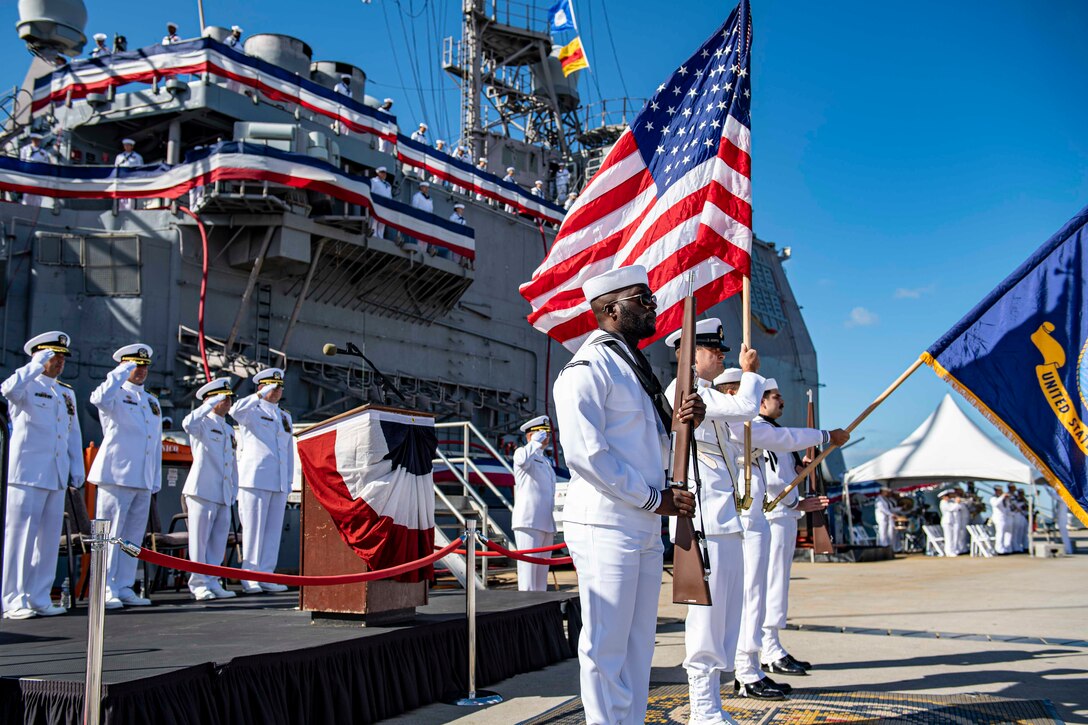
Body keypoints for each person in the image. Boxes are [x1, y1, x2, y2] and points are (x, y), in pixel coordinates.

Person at [553, 265, 703, 725]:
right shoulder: (588, 367)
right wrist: (652, 499)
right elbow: (586, 454)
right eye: (643, 300)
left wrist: (684, 426)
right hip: (606, 522)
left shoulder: (631, 367)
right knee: (606, 645)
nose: (652, 307)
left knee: (640, 645)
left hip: (639, 520)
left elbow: (651, 448)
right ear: (611, 309)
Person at [661, 320, 765, 724]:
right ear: (691, 353)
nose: (721, 357)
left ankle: (713, 704)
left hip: (724, 520)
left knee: (726, 617)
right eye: (714, 351)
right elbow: (746, 408)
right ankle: (703, 708)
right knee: (706, 618)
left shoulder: (705, 395)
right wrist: (751, 372)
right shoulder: (683, 392)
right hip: (703, 522)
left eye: (722, 352)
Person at [756, 381, 843, 683]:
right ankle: (767, 649)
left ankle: (772, 644)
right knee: (771, 584)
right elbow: (770, 483)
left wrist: (800, 465)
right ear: (760, 401)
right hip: (773, 517)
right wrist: (799, 501)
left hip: (784, 516)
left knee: (778, 585)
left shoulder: (773, 432)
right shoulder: (761, 431)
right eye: (775, 397)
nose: (781, 401)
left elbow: (783, 472)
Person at [1, 332, 84, 620]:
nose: (59, 362)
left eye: (61, 357)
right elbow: (7, 389)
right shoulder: (25, 385)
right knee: (20, 538)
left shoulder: (65, 392)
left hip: (56, 474)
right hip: (26, 474)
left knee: (48, 540)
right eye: (53, 356)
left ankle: (39, 597)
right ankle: (13, 599)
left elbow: (73, 432)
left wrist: (76, 467)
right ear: (38, 356)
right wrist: (35, 365)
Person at [89, 344, 161, 609]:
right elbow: (97, 399)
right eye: (134, 366)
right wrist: (120, 372)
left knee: (132, 535)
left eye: (143, 366)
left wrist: (155, 479)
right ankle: (105, 587)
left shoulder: (151, 401)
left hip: (141, 477)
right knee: (110, 533)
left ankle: (124, 585)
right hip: (116, 475)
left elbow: (154, 442)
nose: (140, 371)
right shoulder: (114, 393)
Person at [230, 368, 294, 594]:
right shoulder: (251, 410)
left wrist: (288, 482)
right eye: (271, 387)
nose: (276, 391)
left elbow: (288, 451)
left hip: (277, 482)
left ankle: (266, 574)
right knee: (253, 531)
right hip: (255, 479)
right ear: (261, 387)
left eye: (279, 387)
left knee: (272, 532)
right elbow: (234, 410)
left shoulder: (285, 416)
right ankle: (250, 576)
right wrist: (258, 395)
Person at [182, 378, 239, 601]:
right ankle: (198, 583)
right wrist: (207, 404)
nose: (227, 402)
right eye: (222, 398)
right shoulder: (202, 423)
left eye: (228, 398)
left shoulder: (227, 428)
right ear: (211, 399)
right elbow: (187, 423)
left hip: (223, 491)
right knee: (200, 539)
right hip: (202, 490)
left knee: (218, 539)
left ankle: (213, 580)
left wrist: (234, 486)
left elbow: (232, 461)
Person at [511, 415, 557, 592]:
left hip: (545, 522)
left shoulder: (545, 460)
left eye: (547, 433)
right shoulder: (523, 453)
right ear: (531, 435)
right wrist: (533, 443)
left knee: (541, 577)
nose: (546, 437)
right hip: (529, 521)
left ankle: (539, 613)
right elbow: (521, 460)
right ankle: (526, 612)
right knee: (528, 574)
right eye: (542, 433)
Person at [19, 133, 51, 206]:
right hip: (28, 175)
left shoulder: (43, 152)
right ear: (32, 140)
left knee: (37, 196)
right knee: (27, 194)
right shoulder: (25, 149)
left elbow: (45, 165)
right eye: (35, 140)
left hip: (38, 177)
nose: (36, 142)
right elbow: (22, 162)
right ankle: (24, 208)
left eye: (38, 140)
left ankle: (37, 209)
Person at [115, 139, 143, 211]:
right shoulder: (119, 157)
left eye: (128, 145)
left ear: (132, 146)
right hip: (122, 179)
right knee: (121, 197)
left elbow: (141, 169)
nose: (126, 147)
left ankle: (131, 210)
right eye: (125, 145)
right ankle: (120, 210)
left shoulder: (137, 157)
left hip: (132, 179)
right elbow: (116, 168)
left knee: (131, 198)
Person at [370, 166, 392, 239]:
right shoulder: (373, 181)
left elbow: (389, 196)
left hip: (385, 205)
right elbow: (371, 192)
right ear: (378, 173)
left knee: (382, 222)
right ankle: (373, 235)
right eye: (382, 172)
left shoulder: (388, 185)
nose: (384, 174)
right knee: (374, 220)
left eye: (385, 173)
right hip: (376, 204)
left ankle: (380, 236)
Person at [990, 485, 1012, 554]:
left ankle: (1006, 548)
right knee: (1000, 533)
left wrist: (1007, 499)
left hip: (1004, 518)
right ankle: (999, 549)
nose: (1001, 492)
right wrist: (1002, 496)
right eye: (999, 490)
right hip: (998, 518)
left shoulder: (1003, 499)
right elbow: (995, 504)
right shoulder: (993, 498)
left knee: (1007, 533)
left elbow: (1007, 508)